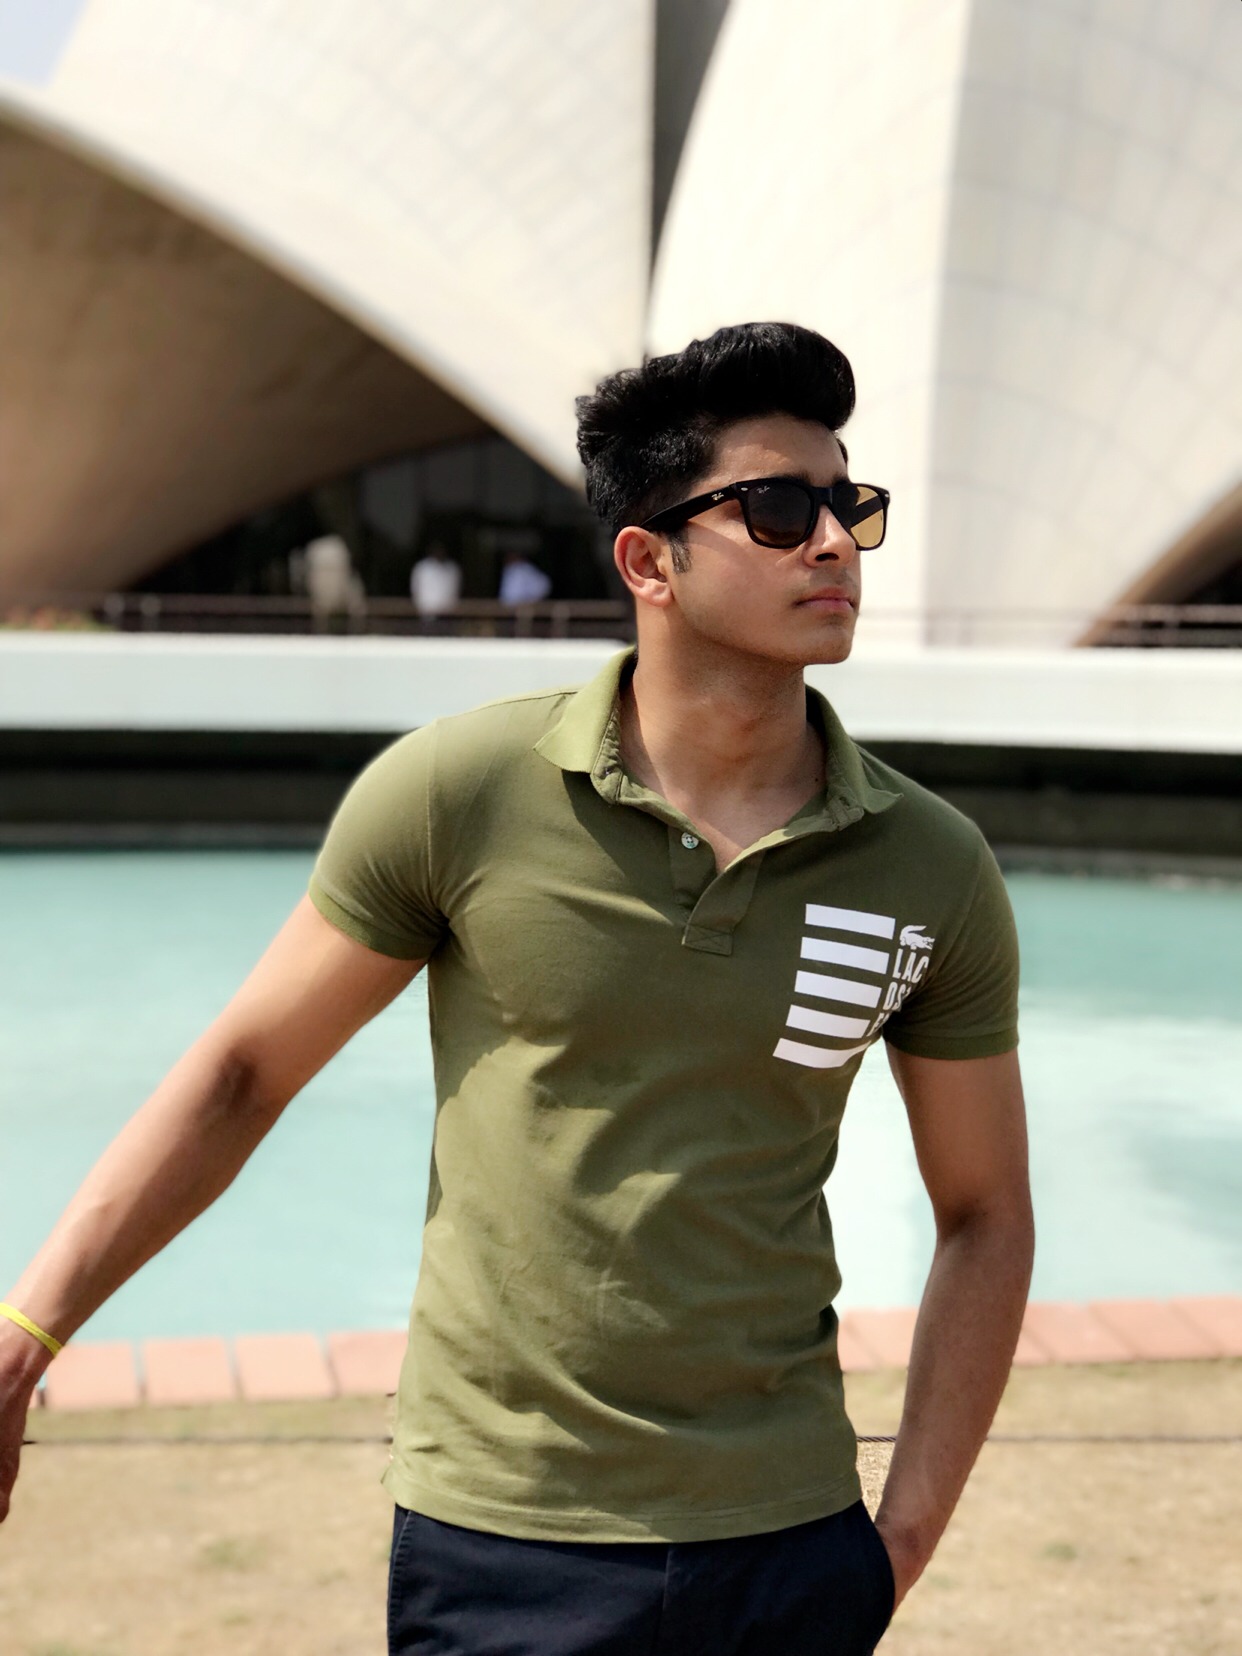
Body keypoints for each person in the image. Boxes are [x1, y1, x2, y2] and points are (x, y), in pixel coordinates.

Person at [0, 322, 1033, 1655]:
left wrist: (899, 1543)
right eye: (779, 510)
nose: (833, 542)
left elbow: (982, 1214)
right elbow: (243, 1076)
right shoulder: (458, 792)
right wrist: (27, 1333)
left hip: (788, 1540)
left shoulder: (930, 864)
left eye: (850, 506)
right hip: (498, 1545)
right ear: (647, 561)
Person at [409, 542, 462, 617]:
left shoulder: (452, 568)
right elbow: (415, 588)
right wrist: (419, 605)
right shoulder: (422, 567)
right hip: (427, 609)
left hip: (448, 610)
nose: (439, 552)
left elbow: (456, 588)